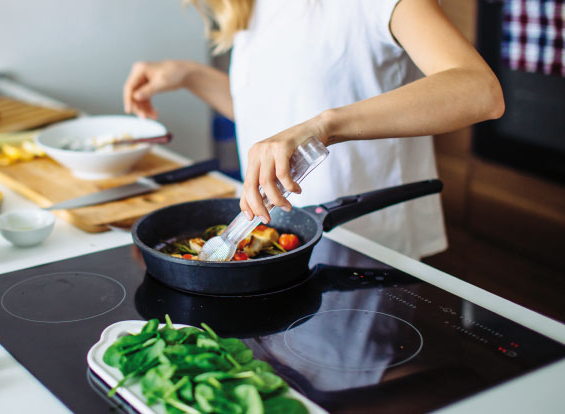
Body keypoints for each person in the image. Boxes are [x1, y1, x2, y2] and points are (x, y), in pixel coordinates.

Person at [122, 0, 504, 259]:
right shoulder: (252, 6)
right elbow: (274, 117)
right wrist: (190, 75)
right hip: (277, 244)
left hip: (366, 247)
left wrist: (325, 126)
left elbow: (480, 91)